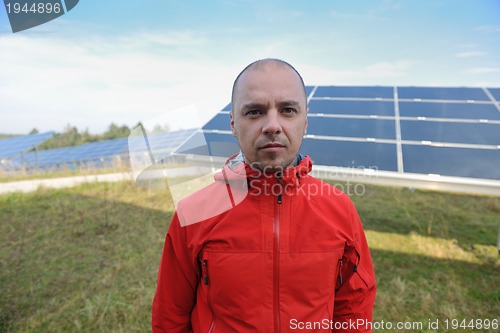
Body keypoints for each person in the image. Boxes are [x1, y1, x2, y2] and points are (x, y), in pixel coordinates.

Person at [152, 58, 376, 333]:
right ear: (233, 124)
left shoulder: (340, 209)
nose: (272, 125)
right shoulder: (193, 212)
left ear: (305, 121)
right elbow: (170, 315)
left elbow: (354, 305)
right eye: (255, 112)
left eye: (288, 110)